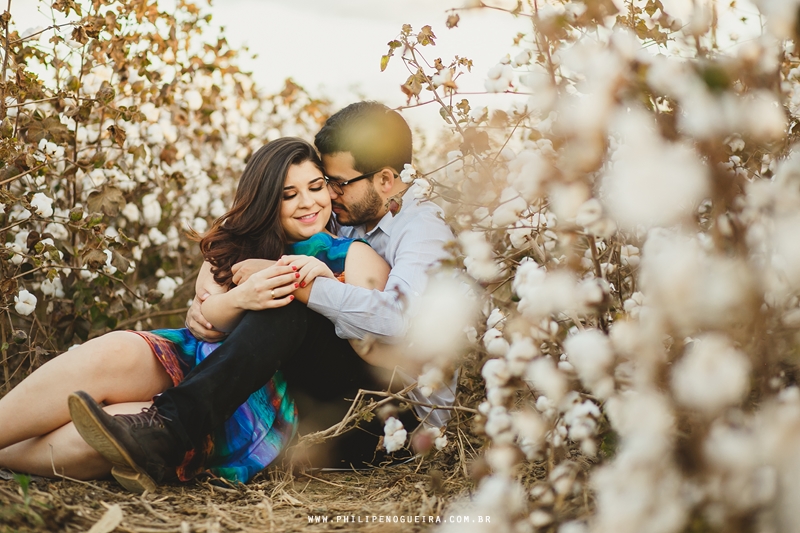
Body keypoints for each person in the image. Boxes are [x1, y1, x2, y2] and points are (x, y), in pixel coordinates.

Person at [69, 101, 457, 493]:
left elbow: (398, 321)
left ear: (385, 180)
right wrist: (208, 297)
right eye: (327, 181)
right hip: (331, 386)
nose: (329, 194)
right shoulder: (348, 210)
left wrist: (303, 284)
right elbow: (272, 219)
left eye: (337, 183)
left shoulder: (424, 233)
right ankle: (167, 425)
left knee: (289, 304)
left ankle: (172, 427)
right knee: (284, 301)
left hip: (396, 415)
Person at [0, 137, 389, 489]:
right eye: (289, 195)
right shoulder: (238, 244)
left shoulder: (354, 255)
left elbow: (371, 341)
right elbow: (207, 323)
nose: (308, 202)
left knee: (117, 425)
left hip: (258, 396)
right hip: (201, 356)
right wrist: (244, 297)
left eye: (316, 187)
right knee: (114, 350)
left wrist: (322, 285)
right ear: (267, 200)